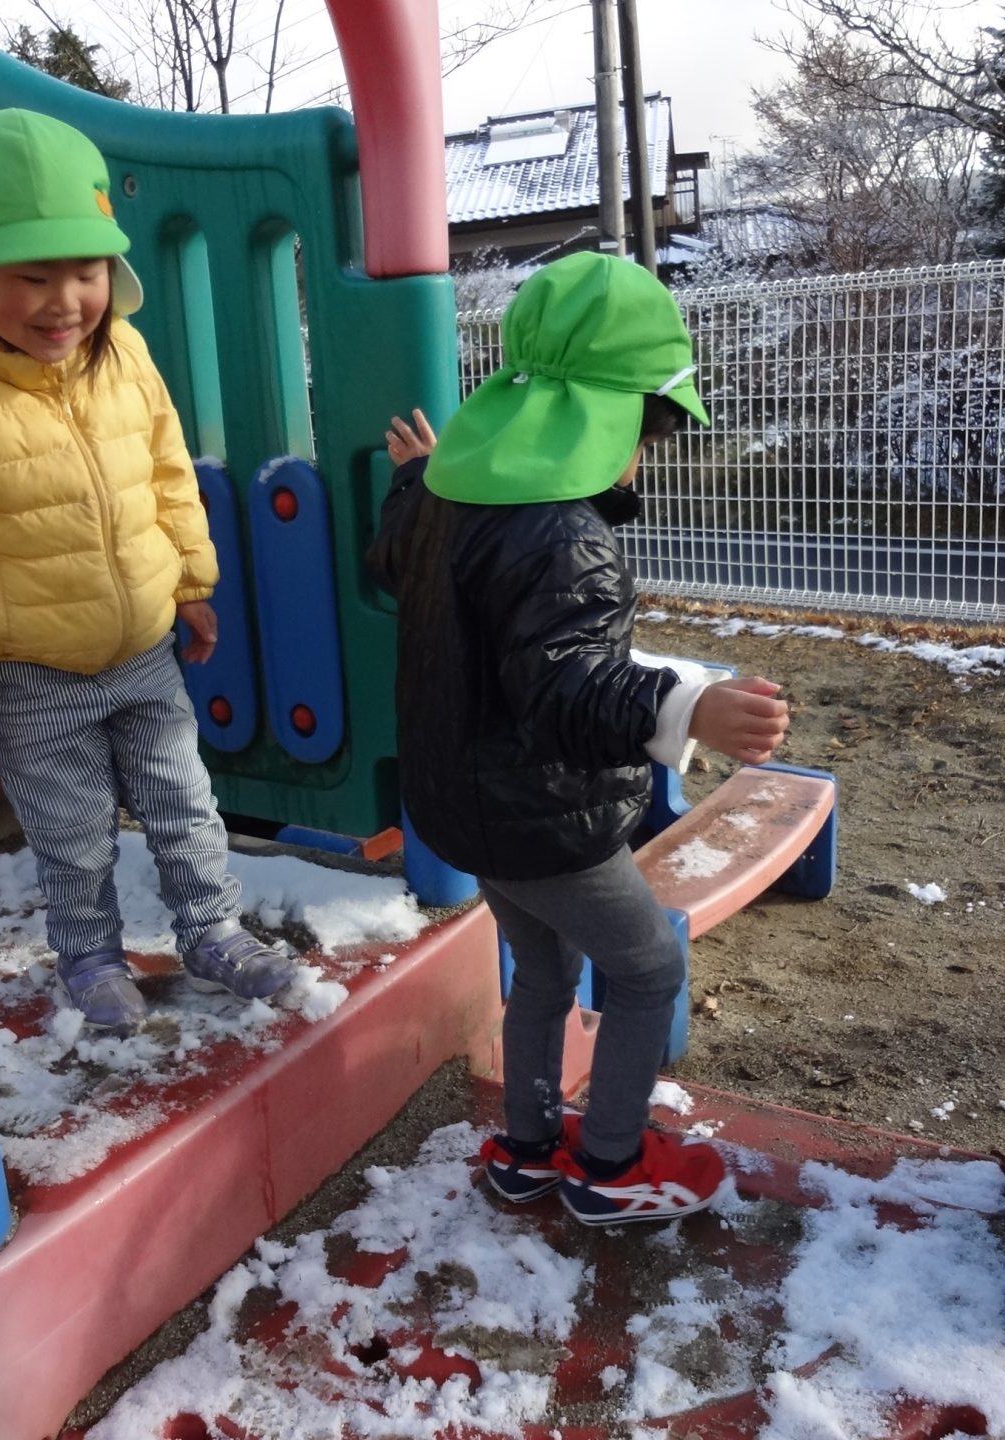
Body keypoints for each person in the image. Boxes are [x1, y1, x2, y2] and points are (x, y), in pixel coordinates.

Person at [367, 253, 792, 1227]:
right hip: (544, 818)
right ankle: (609, 1164)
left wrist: (412, 481)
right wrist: (691, 709)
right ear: (599, 423)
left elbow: (393, 558)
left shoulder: (446, 498)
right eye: (642, 431)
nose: (640, 455)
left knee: (546, 969)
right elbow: (569, 694)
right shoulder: (562, 536)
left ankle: (525, 1150)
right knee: (646, 969)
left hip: (461, 809)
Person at [0, 108, 296, 1034]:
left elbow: (167, 470)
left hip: (142, 646)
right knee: (70, 830)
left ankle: (211, 928)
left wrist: (190, 580)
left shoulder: (125, 353)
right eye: (32, 276)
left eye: (87, 271)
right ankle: (90, 952)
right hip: (29, 669)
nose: (64, 301)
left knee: (185, 802)